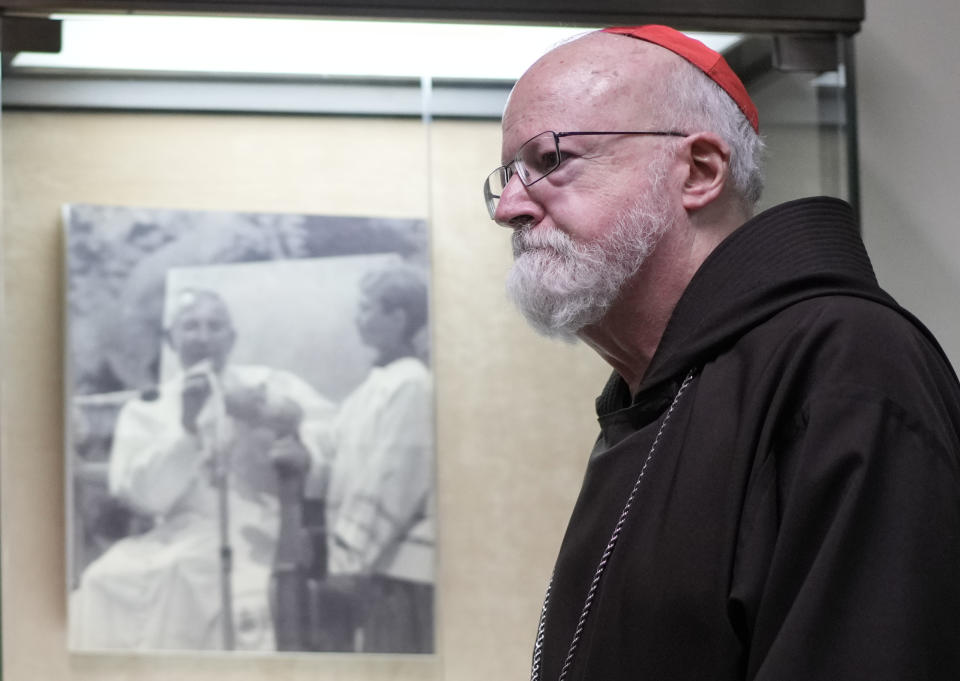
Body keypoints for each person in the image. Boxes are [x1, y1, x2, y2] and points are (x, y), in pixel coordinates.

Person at [484, 25, 960, 681]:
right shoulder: (653, 395)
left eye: (549, 161)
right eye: (507, 175)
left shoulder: (844, 364)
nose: (509, 206)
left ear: (701, 171)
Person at [70, 288, 335, 651]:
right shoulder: (148, 407)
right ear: (171, 339)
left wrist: (293, 442)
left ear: (232, 337)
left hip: (257, 528)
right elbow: (145, 498)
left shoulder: (269, 384)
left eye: (214, 326)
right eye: (191, 326)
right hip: (176, 531)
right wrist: (187, 428)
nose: (203, 336)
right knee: (104, 578)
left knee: (188, 573)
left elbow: (329, 435)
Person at [305, 264, 434, 653]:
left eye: (367, 308)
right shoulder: (374, 386)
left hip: (395, 572)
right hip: (371, 570)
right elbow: (333, 452)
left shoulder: (411, 383)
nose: (358, 318)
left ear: (398, 318)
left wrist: (349, 564)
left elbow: (390, 481)